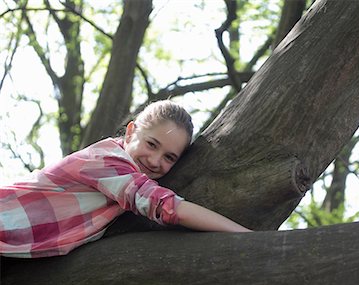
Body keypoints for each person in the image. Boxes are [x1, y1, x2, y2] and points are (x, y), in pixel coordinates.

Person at [0, 100, 251, 258]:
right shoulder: (104, 162)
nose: (155, 161)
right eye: (152, 144)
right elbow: (167, 207)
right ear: (131, 133)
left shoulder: (124, 173)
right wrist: (246, 236)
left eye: (169, 157)